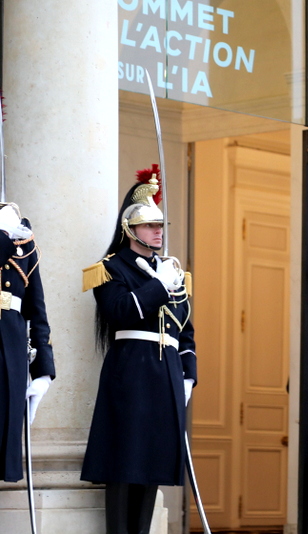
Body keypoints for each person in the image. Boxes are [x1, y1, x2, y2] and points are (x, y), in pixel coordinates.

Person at [81, 166, 196, 534]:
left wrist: (189, 374)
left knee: (152, 466)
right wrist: (158, 286)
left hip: (165, 375)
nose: (159, 231)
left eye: (161, 226)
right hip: (131, 372)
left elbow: (186, 331)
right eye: (150, 225)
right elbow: (120, 311)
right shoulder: (110, 269)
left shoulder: (172, 272)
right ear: (131, 229)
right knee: (124, 463)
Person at [0, 203, 55, 482]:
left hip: (10, 356)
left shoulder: (22, 240)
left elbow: (37, 309)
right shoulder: (7, 233)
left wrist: (43, 371)